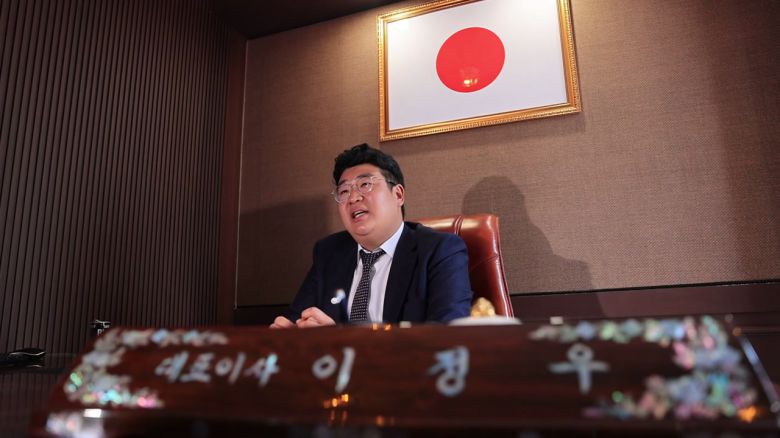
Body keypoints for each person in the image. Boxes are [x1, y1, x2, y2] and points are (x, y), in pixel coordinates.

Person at [271, 143, 473, 328]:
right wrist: (289, 333)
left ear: (398, 195)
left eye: (365, 184)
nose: (353, 197)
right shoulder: (328, 253)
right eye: (344, 191)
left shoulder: (440, 250)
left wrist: (340, 340)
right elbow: (298, 318)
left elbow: (447, 336)